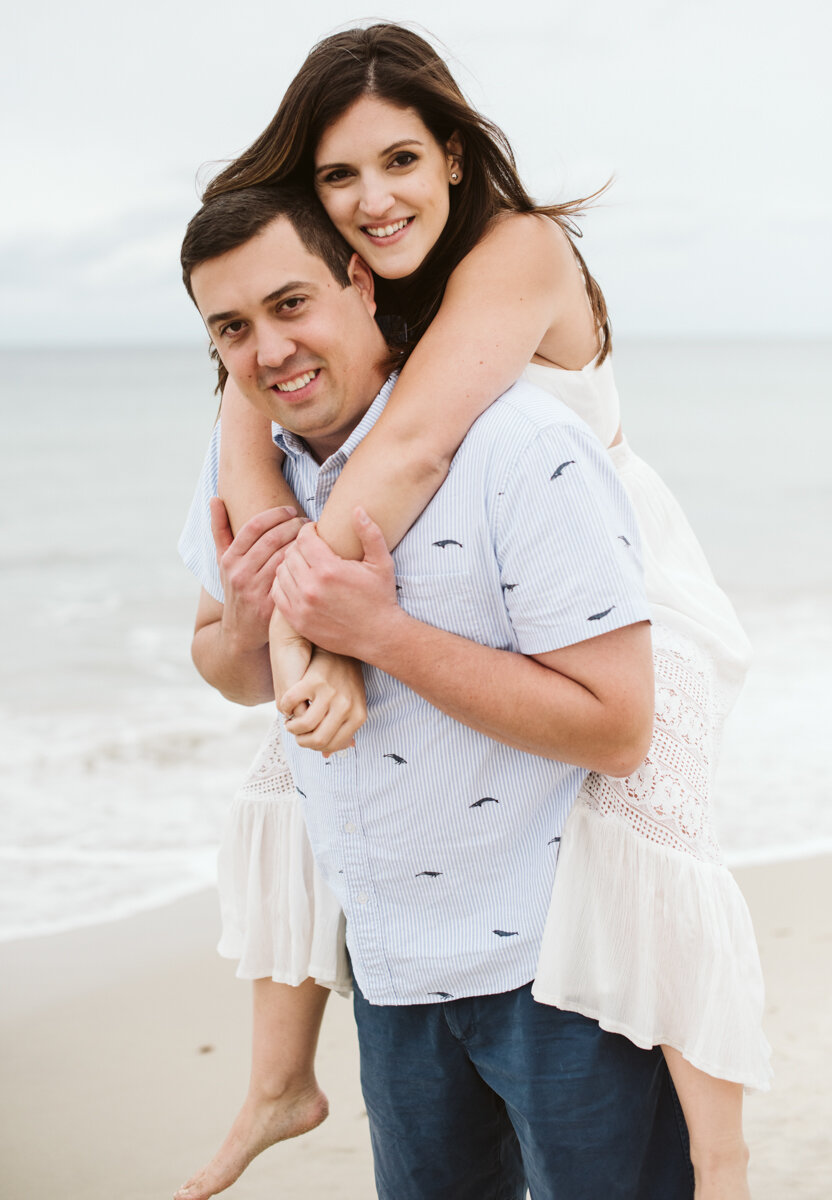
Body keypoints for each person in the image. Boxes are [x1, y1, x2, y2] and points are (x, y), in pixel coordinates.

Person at [175, 23, 769, 1200]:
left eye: (398, 160)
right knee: (287, 785)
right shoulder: (331, 309)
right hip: (411, 580)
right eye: (337, 176)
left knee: (648, 830)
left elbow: (405, 449)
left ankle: (725, 1159)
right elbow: (241, 433)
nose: (371, 200)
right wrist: (277, 617)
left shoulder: (517, 252)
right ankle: (277, 1079)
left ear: (452, 153)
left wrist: (327, 636)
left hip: (626, 583)